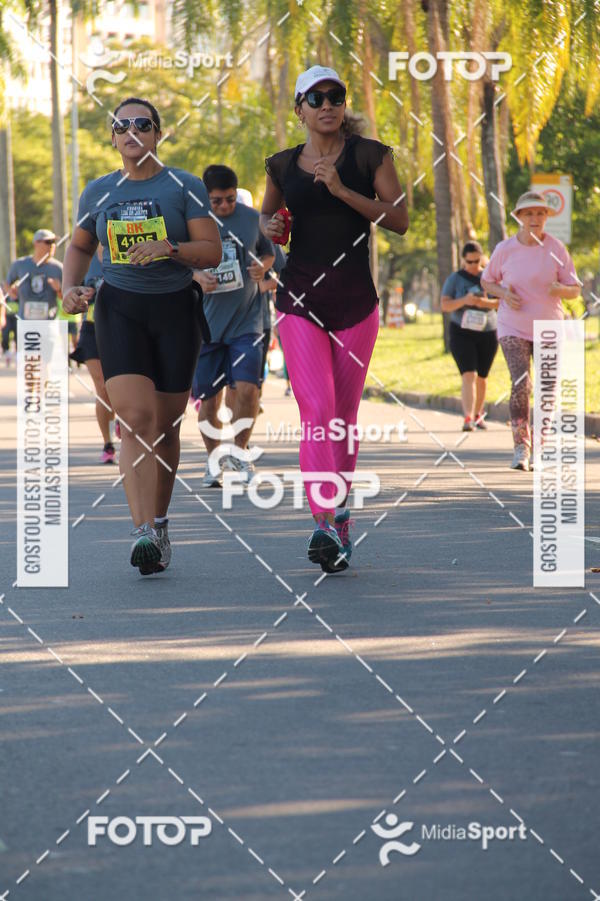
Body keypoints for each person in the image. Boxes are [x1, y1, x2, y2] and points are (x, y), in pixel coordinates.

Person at [61, 96, 221, 573]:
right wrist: (71, 288)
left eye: (143, 124)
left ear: (158, 133)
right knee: (133, 419)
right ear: (112, 136)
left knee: (167, 427)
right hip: (120, 309)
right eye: (122, 125)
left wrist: (169, 248)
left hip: (174, 310)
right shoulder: (98, 192)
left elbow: (210, 251)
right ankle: (142, 533)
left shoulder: (184, 187)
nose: (133, 131)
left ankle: (161, 521)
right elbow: (80, 246)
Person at [261, 65, 408, 572]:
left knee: (344, 420)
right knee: (317, 411)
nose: (328, 104)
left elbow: (401, 220)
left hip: (355, 304)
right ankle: (324, 521)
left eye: (336, 96)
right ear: (299, 108)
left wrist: (344, 191)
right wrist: (274, 226)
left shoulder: (371, 155)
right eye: (316, 97)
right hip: (300, 299)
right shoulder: (281, 165)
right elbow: (269, 223)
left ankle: (341, 524)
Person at [481, 191, 580, 471]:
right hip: (513, 325)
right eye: (529, 213)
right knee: (521, 383)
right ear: (519, 217)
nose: (535, 218)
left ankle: (540, 446)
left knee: (546, 388)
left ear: (546, 217)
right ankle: (520, 448)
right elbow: (487, 281)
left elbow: (574, 289)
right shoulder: (505, 249)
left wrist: (560, 289)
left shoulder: (557, 249)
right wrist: (503, 292)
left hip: (549, 326)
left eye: (540, 213)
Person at [191, 164, 275, 487]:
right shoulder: (193, 221)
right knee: (209, 401)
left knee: (249, 390)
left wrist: (261, 268)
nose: (225, 207)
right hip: (208, 326)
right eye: (217, 201)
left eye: (229, 200)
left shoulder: (252, 218)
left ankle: (239, 454)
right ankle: (213, 461)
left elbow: (268, 254)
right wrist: (196, 276)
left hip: (247, 322)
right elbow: (177, 263)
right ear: (205, 197)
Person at [440, 241, 499, 431]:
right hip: (461, 332)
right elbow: (445, 305)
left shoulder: (490, 278)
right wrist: (464, 300)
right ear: (463, 260)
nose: (473, 265)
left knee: (482, 376)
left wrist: (484, 303)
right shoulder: (455, 279)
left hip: (487, 331)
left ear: (481, 258)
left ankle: (477, 415)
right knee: (469, 374)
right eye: (469, 261)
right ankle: (467, 417)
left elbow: (502, 301)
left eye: (476, 261)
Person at [69, 246, 117, 463]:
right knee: (103, 387)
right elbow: (71, 290)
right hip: (91, 328)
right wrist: (82, 293)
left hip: (120, 329)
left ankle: (121, 414)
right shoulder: (85, 257)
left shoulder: (123, 251)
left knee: (118, 388)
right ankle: (108, 444)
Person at [2, 230, 63, 364]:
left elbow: (66, 299)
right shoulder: (20, 265)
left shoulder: (58, 268)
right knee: (31, 364)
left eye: (54, 242)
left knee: (46, 363)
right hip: (27, 324)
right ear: (36, 243)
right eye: (48, 242)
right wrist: (11, 292)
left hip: (49, 325)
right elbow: (6, 284)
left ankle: (44, 385)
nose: (52, 245)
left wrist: (59, 290)